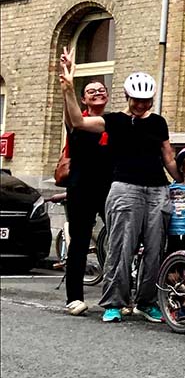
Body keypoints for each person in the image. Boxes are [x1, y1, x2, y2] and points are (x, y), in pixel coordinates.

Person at [58, 52, 177, 324]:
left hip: (157, 189)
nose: (140, 105)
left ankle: (146, 302)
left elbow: (168, 157)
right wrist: (68, 85)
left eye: (146, 101)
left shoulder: (158, 122)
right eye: (136, 100)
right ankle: (113, 302)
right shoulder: (113, 121)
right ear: (127, 97)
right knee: (120, 246)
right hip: (122, 188)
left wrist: (183, 181)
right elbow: (77, 121)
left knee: (155, 248)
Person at [61, 77, 114, 317]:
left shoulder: (112, 123)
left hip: (110, 188)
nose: (97, 93)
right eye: (91, 91)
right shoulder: (77, 121)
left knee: (119, 239)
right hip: (81, 188)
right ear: (83, 99)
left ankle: (117, 297)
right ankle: (74, 298)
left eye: (101, 90)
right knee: (80, 242)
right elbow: (70, 115)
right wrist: (67, 87)